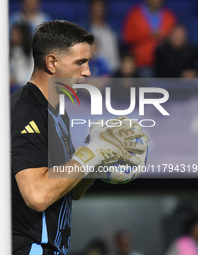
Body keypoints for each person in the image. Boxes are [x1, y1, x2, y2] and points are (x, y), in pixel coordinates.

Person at [11, 20, 147, 255]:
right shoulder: (25, 111)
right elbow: (38, 195)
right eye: (80, 62)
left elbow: (69, 190)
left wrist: (98, 163)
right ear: (52, 62)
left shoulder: (58, 113)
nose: (88, 72)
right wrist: (92, 153)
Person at [123, 0, 176, 77]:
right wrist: (148, 35)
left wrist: (163, 36)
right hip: (142, 64)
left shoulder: (169, 15)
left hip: (166, 65)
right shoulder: (134, 14)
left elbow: (176, 38)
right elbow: (127, 37)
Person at [78, 0, 120, 72]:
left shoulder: (112, 30)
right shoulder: (84, 30)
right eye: (96, 7)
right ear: (91, 9)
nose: (98, 10)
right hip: (93, 73)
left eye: (101, 7)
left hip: (113, 72)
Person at [10, 22, 34, 87]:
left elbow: (24, 77)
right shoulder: (15, 51)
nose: (13, 37)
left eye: (16, 34)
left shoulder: (33, 52)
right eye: (12, 34)